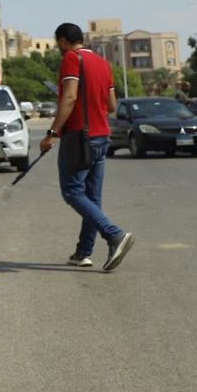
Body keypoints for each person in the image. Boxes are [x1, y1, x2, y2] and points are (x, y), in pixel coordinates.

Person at [39, 23, 134, 272]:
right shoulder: (103, 63)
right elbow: (111, 105)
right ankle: (83, 252)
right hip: (102, 136)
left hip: (80, 137)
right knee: (92, 198)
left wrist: (52, 133)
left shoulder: (72, 58)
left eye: (58, 42)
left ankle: (115, 235)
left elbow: (69, 97)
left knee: (72, 192)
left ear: (62, 41)